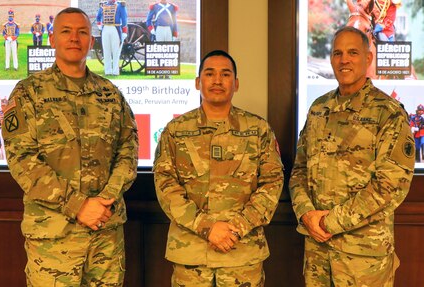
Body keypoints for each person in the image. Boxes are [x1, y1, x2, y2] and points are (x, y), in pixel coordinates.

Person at [1, 7, 138, 286]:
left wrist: (104, 200)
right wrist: (78, 205)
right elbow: (22, 160)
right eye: (66, 31)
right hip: (54, 238)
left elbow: (128, 150)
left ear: (91, 41)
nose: (75, 38)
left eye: (83, 32)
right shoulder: (28, 92)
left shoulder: (111, 94)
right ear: (52, 39)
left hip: (105, 234)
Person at [289, 26, 415, 287]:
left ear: (368, 59)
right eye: (338, 53)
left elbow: (389, 187)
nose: (344, 59)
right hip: (317, 255)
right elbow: (299, 170)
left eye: (352, 52)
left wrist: (329, 221)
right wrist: (306, 214)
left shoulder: (388, 113)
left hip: (363, 261)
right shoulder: (318, 109)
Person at [153, 50, 284, 286]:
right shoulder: (175, 130)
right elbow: (165, 185)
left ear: (236, 84)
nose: (217, 80)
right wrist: (206, 228)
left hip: (242, 254)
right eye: (209, 73)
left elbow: (272, 183)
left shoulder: (258, 129)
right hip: (190, 255)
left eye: (225, 74)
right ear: (197, 82)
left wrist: (236, 228)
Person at [96, 0, 128, 76]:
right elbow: (98, 16)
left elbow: (124, 18)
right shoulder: (103, 5)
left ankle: (115, 71)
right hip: (105, 28)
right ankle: (108, 71)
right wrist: (99, 25)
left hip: (115, 28)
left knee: (116, 51)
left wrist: (124, 31)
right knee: (106, 51)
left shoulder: (120, 5)